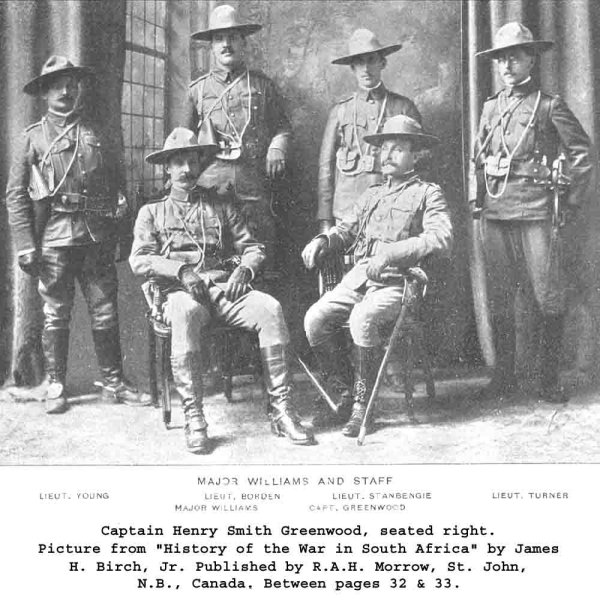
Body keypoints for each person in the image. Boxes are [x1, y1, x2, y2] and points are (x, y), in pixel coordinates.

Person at [129, 126, 314, 454]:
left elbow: (253, 247)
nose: (187, 169)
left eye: (192, 161)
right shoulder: (151, 212)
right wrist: (181, 270)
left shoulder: (220, 205)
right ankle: (194, 417)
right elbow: (140, 260)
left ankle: (282, 410)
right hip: (179, 294)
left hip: (223, 289)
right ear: (167, 168)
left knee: (269, 309)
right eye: (178, 162)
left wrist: (246, 268)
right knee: (185, 312)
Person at [5, 55, 146, 414]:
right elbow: (16, 196)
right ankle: (56, 385)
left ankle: (114, 382)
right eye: (57, 86)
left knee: (105, 310)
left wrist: (120, 227)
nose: (66, 91)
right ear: (44, 93)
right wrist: (25, 244)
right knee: (56, 312)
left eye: (71, 84)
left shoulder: (96, 133)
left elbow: (117, 185)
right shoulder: (32, 138)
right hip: (54, 238)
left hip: (96, 237)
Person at [302, 115, 452, 436]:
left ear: (416, 156)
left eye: (398, 149)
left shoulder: (428, 193)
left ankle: (362, 405)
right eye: (385, 148)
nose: (388, 155)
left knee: (362, 319)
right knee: (315, 318)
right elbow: (345, 229)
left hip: (399, 284)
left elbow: (440, 237)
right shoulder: (372, 194)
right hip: (359, 279)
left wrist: (390, 253)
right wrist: (323, 240)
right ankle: (345, 394)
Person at [470, 22, 592, 403]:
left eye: (515, 57)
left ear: (531, 60)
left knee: (548, 294)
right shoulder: (491, 107)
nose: (507, 65)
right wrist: (478, 200)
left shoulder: (548, 105)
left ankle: (548, 379)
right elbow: (479, 158)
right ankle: (504, 376)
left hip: (536, 211)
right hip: (496, 211)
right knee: (500, 296)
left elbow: (582, 152)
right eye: (501, 59)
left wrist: (570, 201)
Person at [184, 4, 291, 265]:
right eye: (219, 39)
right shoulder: (197, 90)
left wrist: (277, 146)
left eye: (232, 37)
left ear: (243, 42)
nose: (226, 44)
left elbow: (283, 127)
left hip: (252, 184)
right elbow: (183, 142)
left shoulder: (263, 86)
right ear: (211, 47)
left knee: (259, 253)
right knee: (211, 255)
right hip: (211, 187)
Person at [317, 28, 422, 232]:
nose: (366, 68)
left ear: (383, 63)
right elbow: (325, 168)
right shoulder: (340, 111)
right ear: (352, 68)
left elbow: (420, 163)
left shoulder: (403, 108)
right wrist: (325, 220)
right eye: (359, 62)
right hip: (347, 214)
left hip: (393, 212)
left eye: (372, 60)